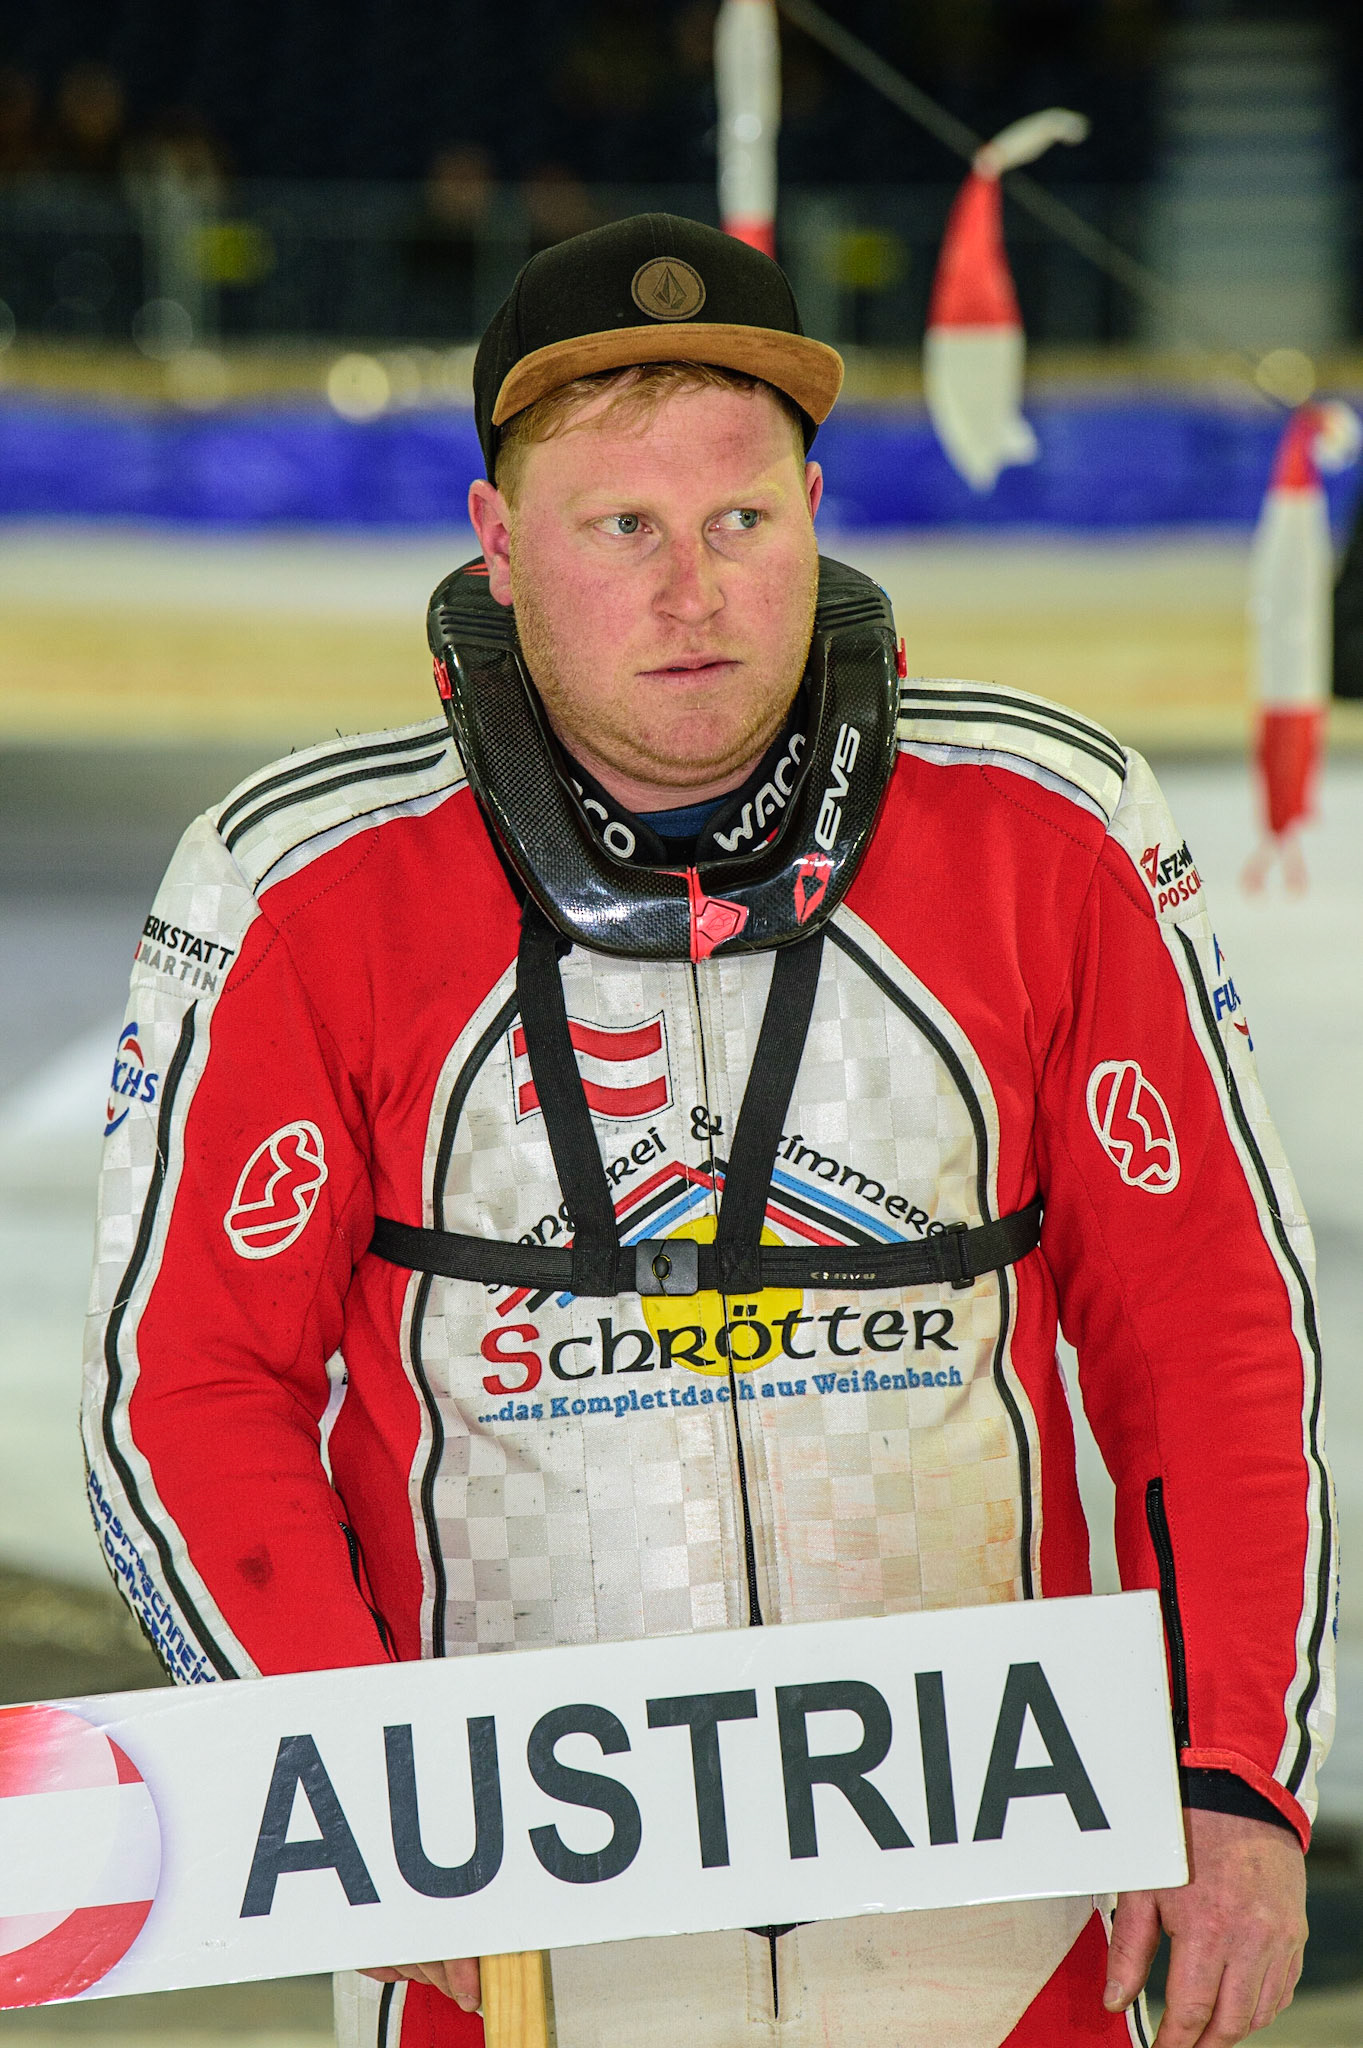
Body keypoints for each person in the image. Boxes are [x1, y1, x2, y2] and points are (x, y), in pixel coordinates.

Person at [83, 214, 1331, 2048]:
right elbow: (178, 1392)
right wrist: (354, 1789)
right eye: (623, 530)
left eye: (741, 520)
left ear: (818, 509)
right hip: (509, 1947)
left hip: (1015, 1924)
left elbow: (1210, 1323)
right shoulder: (297, 885)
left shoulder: (1050, 830)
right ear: (499, 548)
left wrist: (1231, 1767)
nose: (698, 591)